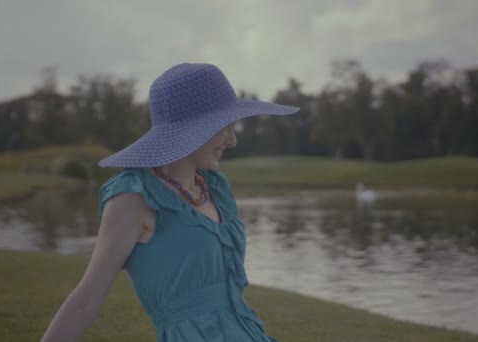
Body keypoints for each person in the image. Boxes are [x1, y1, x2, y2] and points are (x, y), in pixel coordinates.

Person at [41, 63, 299, 341]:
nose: (232, 140)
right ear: (194, 127)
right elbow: (86, 300)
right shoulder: (133, 198)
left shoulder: (214, 188)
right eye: (225, 126)